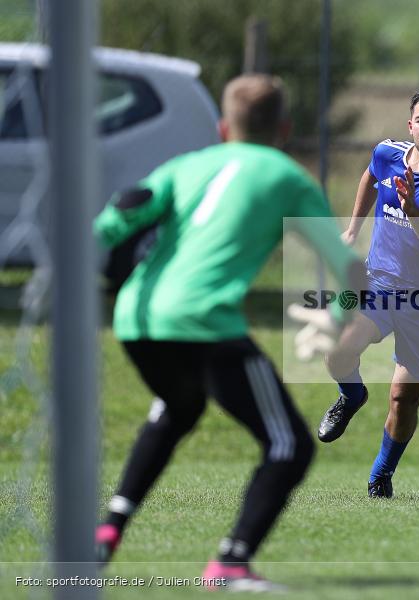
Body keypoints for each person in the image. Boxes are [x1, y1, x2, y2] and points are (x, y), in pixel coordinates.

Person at [92, 74, 365, 591]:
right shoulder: (288, 178)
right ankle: (231, 562)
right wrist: (333, 316)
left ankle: (107, 531)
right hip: (205, 322)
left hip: (138, 318)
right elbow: (351, 272)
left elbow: (122, 212)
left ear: (223, 128)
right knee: (289, 446)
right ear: (284, 128)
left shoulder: (187, 166)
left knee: (178, 409)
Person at [316, 85, 419, 498]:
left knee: (403, 400)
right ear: (410, 125)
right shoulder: (389, 153)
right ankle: (351, 396)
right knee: (338, 352)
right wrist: (353, 226)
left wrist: (414, 212)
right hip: (380, 282)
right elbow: (371, 174)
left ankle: (380, 476)